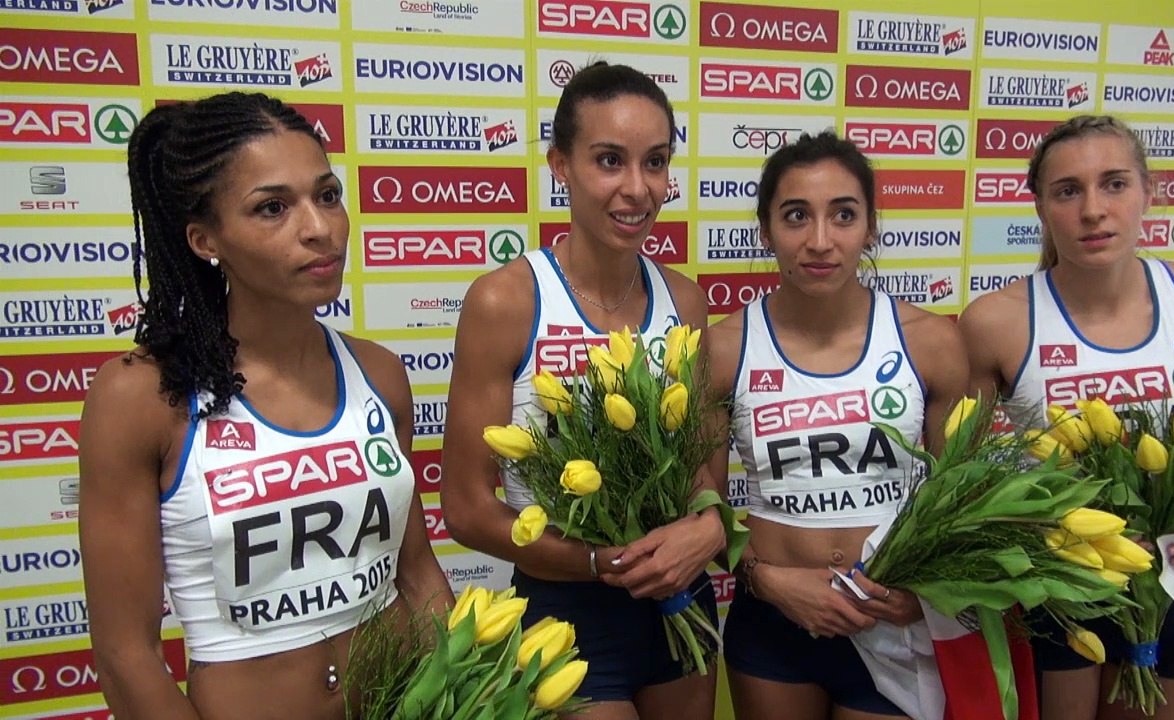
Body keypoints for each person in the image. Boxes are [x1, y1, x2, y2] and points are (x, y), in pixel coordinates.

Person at [78, 92, 453, 720]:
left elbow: (416, 574)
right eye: (272, 207)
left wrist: (469, 690)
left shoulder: (379, 373)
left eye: (327, 195)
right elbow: (125, 654)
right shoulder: (141, 397)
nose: (319, 228)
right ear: (205, 239)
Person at [440, 62, 726, 720]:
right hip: (564, 610)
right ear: (560, 165)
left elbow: (702, 474)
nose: (637, 189)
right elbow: (466, 509)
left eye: (655, 162)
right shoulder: (506, 301)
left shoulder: (684, 300)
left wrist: (709, 527)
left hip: (680, 603)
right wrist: (599, 562)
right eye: (609, 161)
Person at [960, 114, 1174, 720]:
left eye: (1114, 184)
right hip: (1059, 597)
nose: (1093, 210)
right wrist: (1058, 538)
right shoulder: (995, 322)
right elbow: (970, 485)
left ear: (1150, 191)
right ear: (1040, 207)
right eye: (1068, 191)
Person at [709, 131, 968, 720]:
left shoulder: (931, 342)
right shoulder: (723, 348)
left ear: (871, 226)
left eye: (844, 215)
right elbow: (703, 508)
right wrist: (768, 582)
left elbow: (962, 500)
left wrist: (925, 594)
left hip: (892, 622)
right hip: (773, 627)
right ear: (766, 229)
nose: (820, 240)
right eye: (796, 215)